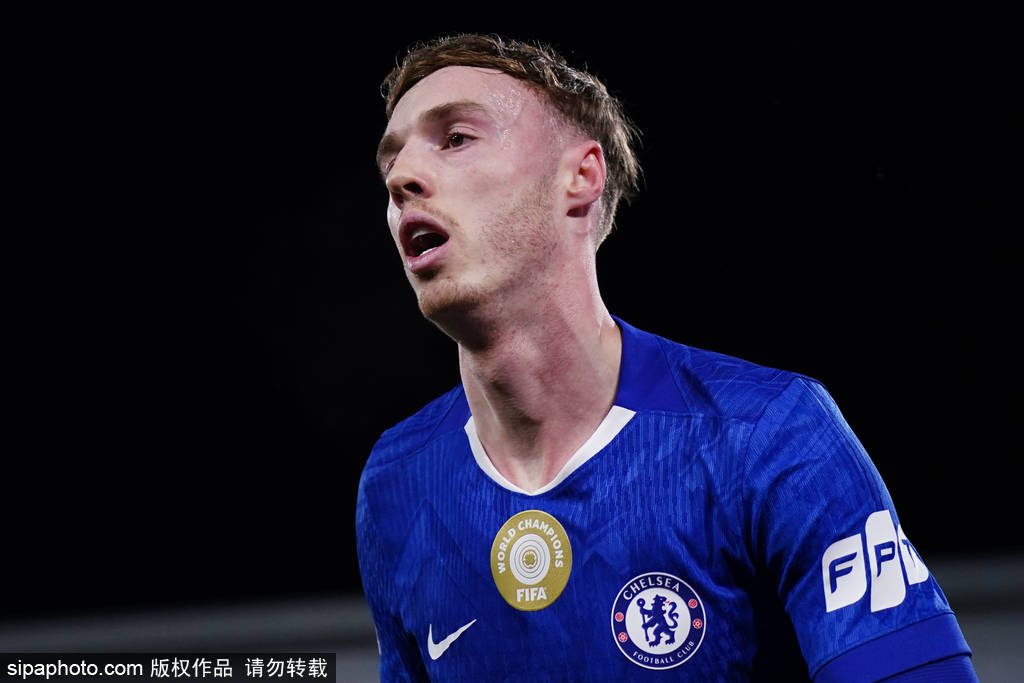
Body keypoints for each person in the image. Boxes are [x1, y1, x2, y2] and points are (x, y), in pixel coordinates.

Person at [356, 34, 977, 681]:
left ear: (580, 177)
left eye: (456, 138)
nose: (400, 179)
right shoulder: (396, 482)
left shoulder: (769, 434)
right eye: (391, 161)